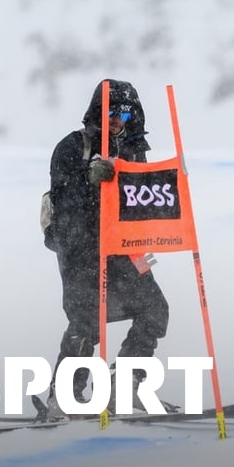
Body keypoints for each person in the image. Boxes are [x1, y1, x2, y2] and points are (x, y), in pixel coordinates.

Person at [44, 78, 169, 416]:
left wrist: (172, 182)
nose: (117, 119)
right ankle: (64, 398)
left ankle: (125, 387)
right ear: (97, 110)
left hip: (125, 250)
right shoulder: (72, 147)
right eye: (111, 111)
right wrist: (89, 179)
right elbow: (63, 203)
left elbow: (143, 205)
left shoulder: (134, 151)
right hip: (81, 251)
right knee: (86, 323)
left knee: (154, 309)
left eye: (125, 114)